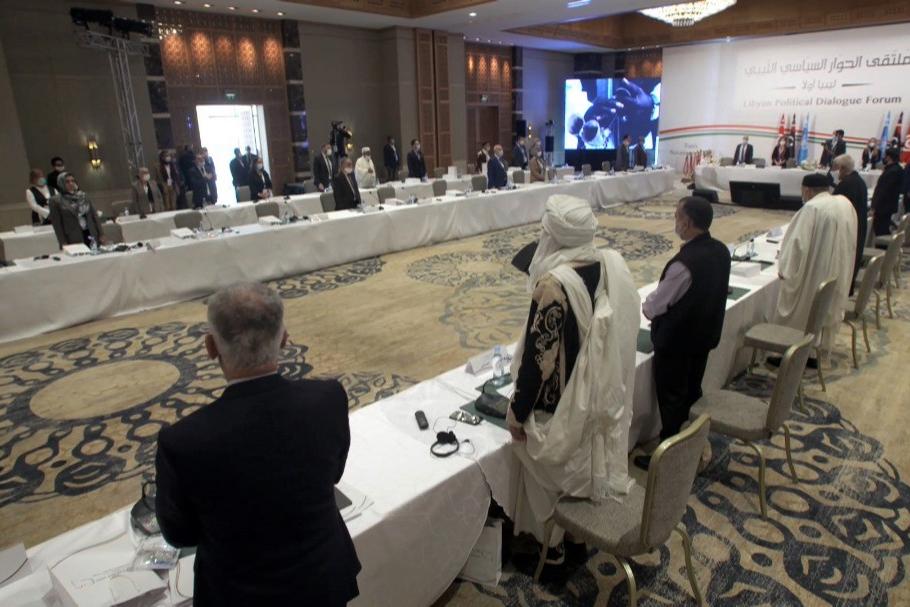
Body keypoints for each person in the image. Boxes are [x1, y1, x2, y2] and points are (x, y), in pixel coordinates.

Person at [155, 282, 361, 606]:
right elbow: (332, 475)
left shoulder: (183, 441)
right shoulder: (328, 399)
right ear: (285, 338)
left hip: (237, 595)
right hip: (323, 580)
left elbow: (179, 534)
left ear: (210, 347)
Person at [507, 195, 640, 553]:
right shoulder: (605, 262)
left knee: (526, 452)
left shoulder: (553, 284)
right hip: (595, 392)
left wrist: (517, 414)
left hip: (560, 405)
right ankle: (576, 535)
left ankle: (548, 545)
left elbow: (539, 361)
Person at [637, 197, 731, 469]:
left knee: (672, 401)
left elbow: (655, 306)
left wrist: (646, 307)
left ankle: (669, 459)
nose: (674, 220)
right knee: (691, 391)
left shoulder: (684, 264)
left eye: (677, 215)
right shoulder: (721, 250)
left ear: (687, 222)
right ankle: (691, 442)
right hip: (704, 337)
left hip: (676, 344)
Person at [774, 173, 856, 357]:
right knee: (822, 310)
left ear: (808, 191)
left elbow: (797, 244)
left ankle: (795, 352)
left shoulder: (812, 208)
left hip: (815, 270)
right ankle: (815, 349)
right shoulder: (845, 203)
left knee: (805, 308)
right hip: (836, 267)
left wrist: (785, 269)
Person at [831, 154, 868, 292]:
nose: (835, 172)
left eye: (836, 168)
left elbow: (834, 208)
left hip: (849, 231)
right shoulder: (859, 181)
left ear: (842, 168)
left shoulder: (846, 184)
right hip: (858, 227)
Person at [48, 173, 104, 248]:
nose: (71, 183)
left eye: (72, 181)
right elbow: (57, 225)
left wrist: (101, 234)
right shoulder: (55, 200)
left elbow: (94, 216)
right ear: (61, 183)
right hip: (73, 237)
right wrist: (63, 242)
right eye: (67, 181)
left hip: (91, 232)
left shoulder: (83, 196)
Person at [870, 148, 904, 236]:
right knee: (883, 228)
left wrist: (874, 207)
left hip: (883, 207)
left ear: (889, 157)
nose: (884, 158)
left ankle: (882, 244)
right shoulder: (897, 169)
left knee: (880, 230)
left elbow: (883, 190)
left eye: (885, 156)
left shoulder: (892, 171)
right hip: (887, 206)